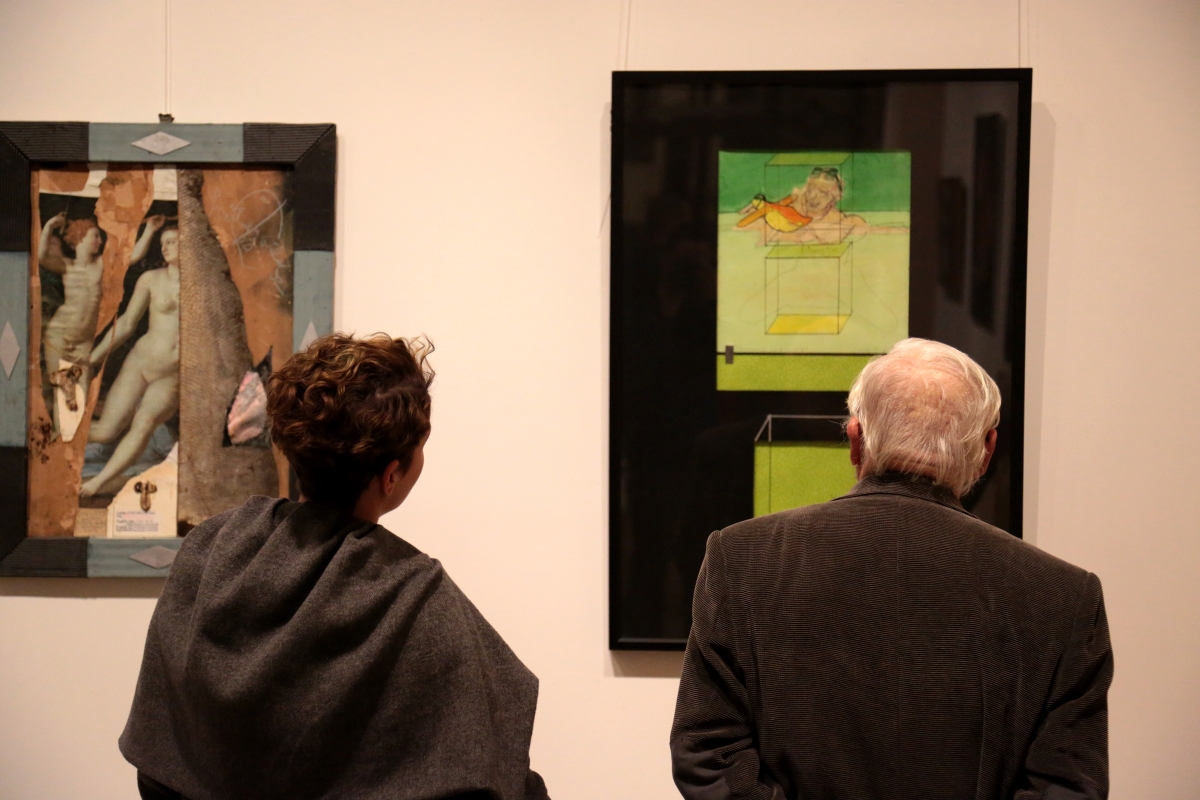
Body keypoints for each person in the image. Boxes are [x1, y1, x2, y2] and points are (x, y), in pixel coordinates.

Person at [671, 338, 1112, 800]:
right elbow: (1066, 785)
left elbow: (709, 752)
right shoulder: (1066, 596)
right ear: (987, 450)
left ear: (855, 438)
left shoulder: (741, 558)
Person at [120, 333, 551, 800]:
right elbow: (489, 777)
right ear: (391, 476)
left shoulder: (211, 550)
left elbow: (158, 763)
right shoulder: (417, 598)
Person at [81, 216, 180, 496]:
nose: (165, 247)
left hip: (173, 374)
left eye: (173, 242)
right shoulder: (151, 279)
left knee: (145, 421)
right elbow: (126, 324)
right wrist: (93, 359)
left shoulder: (206, 286)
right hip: (141, 362)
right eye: (163, 243)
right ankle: (49, 443)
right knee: (105, 432)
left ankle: (97, 483)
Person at [38, 211, 108, 437]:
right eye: (95, 236)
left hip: (83, 344)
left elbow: (132, 256)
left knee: (80, 396)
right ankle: (60, 444)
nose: (100, 241)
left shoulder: (101, 265)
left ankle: (68, 442)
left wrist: (150, 230)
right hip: (59, 337)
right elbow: (41, 257)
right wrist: (49, 226)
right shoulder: (67, 266)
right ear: (80, 238)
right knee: (62, 394)